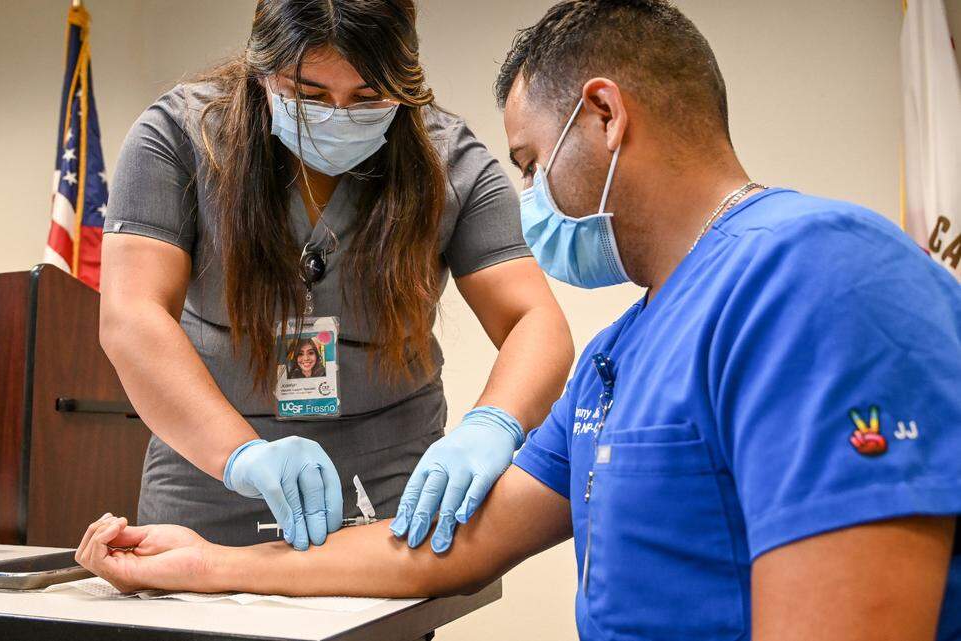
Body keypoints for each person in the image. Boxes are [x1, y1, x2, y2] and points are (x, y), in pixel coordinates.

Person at [79, 1, 961, 639]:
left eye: (531, 163)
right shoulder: (625, 351)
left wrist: (491, 423)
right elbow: (460, 546)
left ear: (606, 115)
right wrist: (211, 553)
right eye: (312, 94)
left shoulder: (819, 272)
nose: (525, 196)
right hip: (223, 515)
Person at [98, 0, 573, 553]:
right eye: (309, 96)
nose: (339, 114)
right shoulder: (181, 138)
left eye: (368, 97)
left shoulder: (450, 162)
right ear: (262, 72)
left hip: (388, 499)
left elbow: (535, 319)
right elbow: (132, 316)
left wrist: (492, 424)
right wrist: (242, 456)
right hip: (208, 482)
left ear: (405, 82)